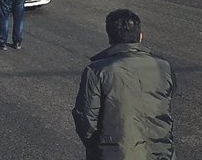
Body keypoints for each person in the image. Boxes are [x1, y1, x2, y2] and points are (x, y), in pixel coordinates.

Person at [72, 9, 176, 160]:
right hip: (161, 153)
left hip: (115, 153)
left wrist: (101, 148)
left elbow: (86, 121)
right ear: (140, 36)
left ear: (110, 38)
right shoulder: (164, 67)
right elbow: (166, 106)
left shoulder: (98, 71)